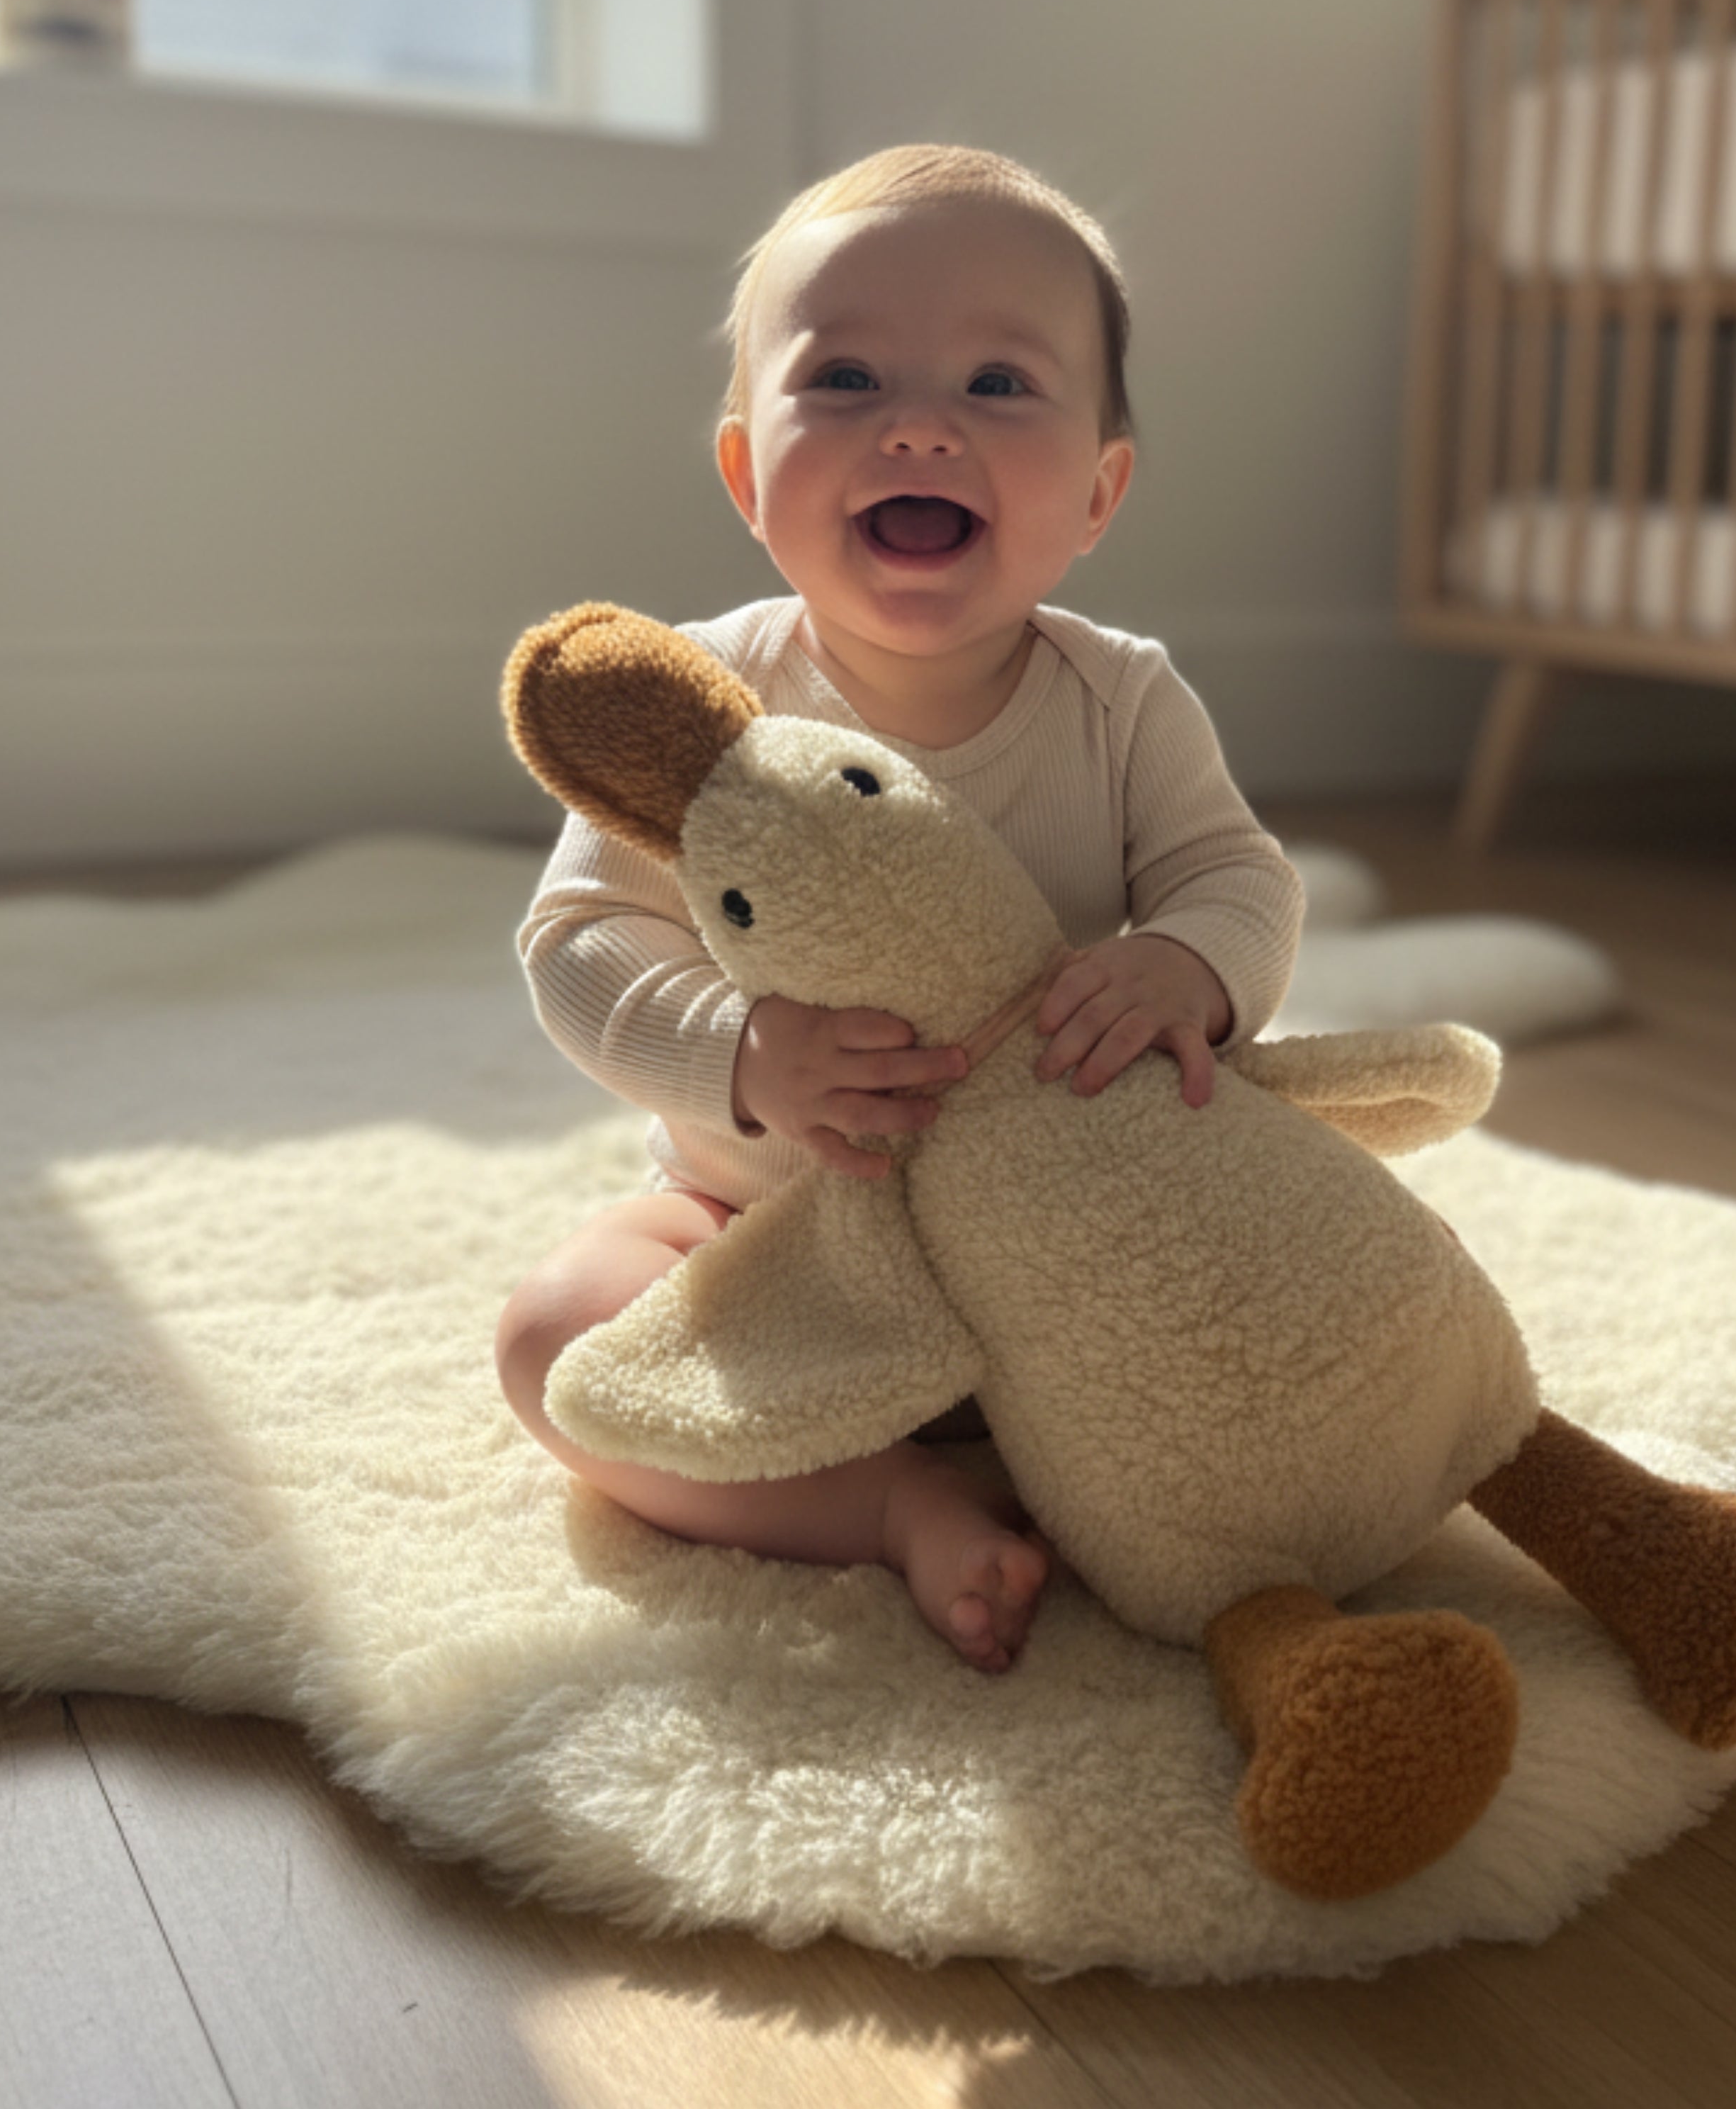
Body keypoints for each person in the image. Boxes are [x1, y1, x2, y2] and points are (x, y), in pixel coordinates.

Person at [496, 145, 1304, 1672]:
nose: (919, 422)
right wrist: (736, 1051)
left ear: (1096, 491)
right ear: (747, 474)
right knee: (561, 1344)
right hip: (763, 1223)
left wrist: (1182, 964)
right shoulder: (701, 698)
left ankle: (1159, 1492)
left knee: (1283, 1310)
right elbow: (576, 941)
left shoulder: (1121, 698)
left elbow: (1239, 875)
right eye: (848, 377)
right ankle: (885, 1502)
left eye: (999, 384)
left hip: (1071, 1246)